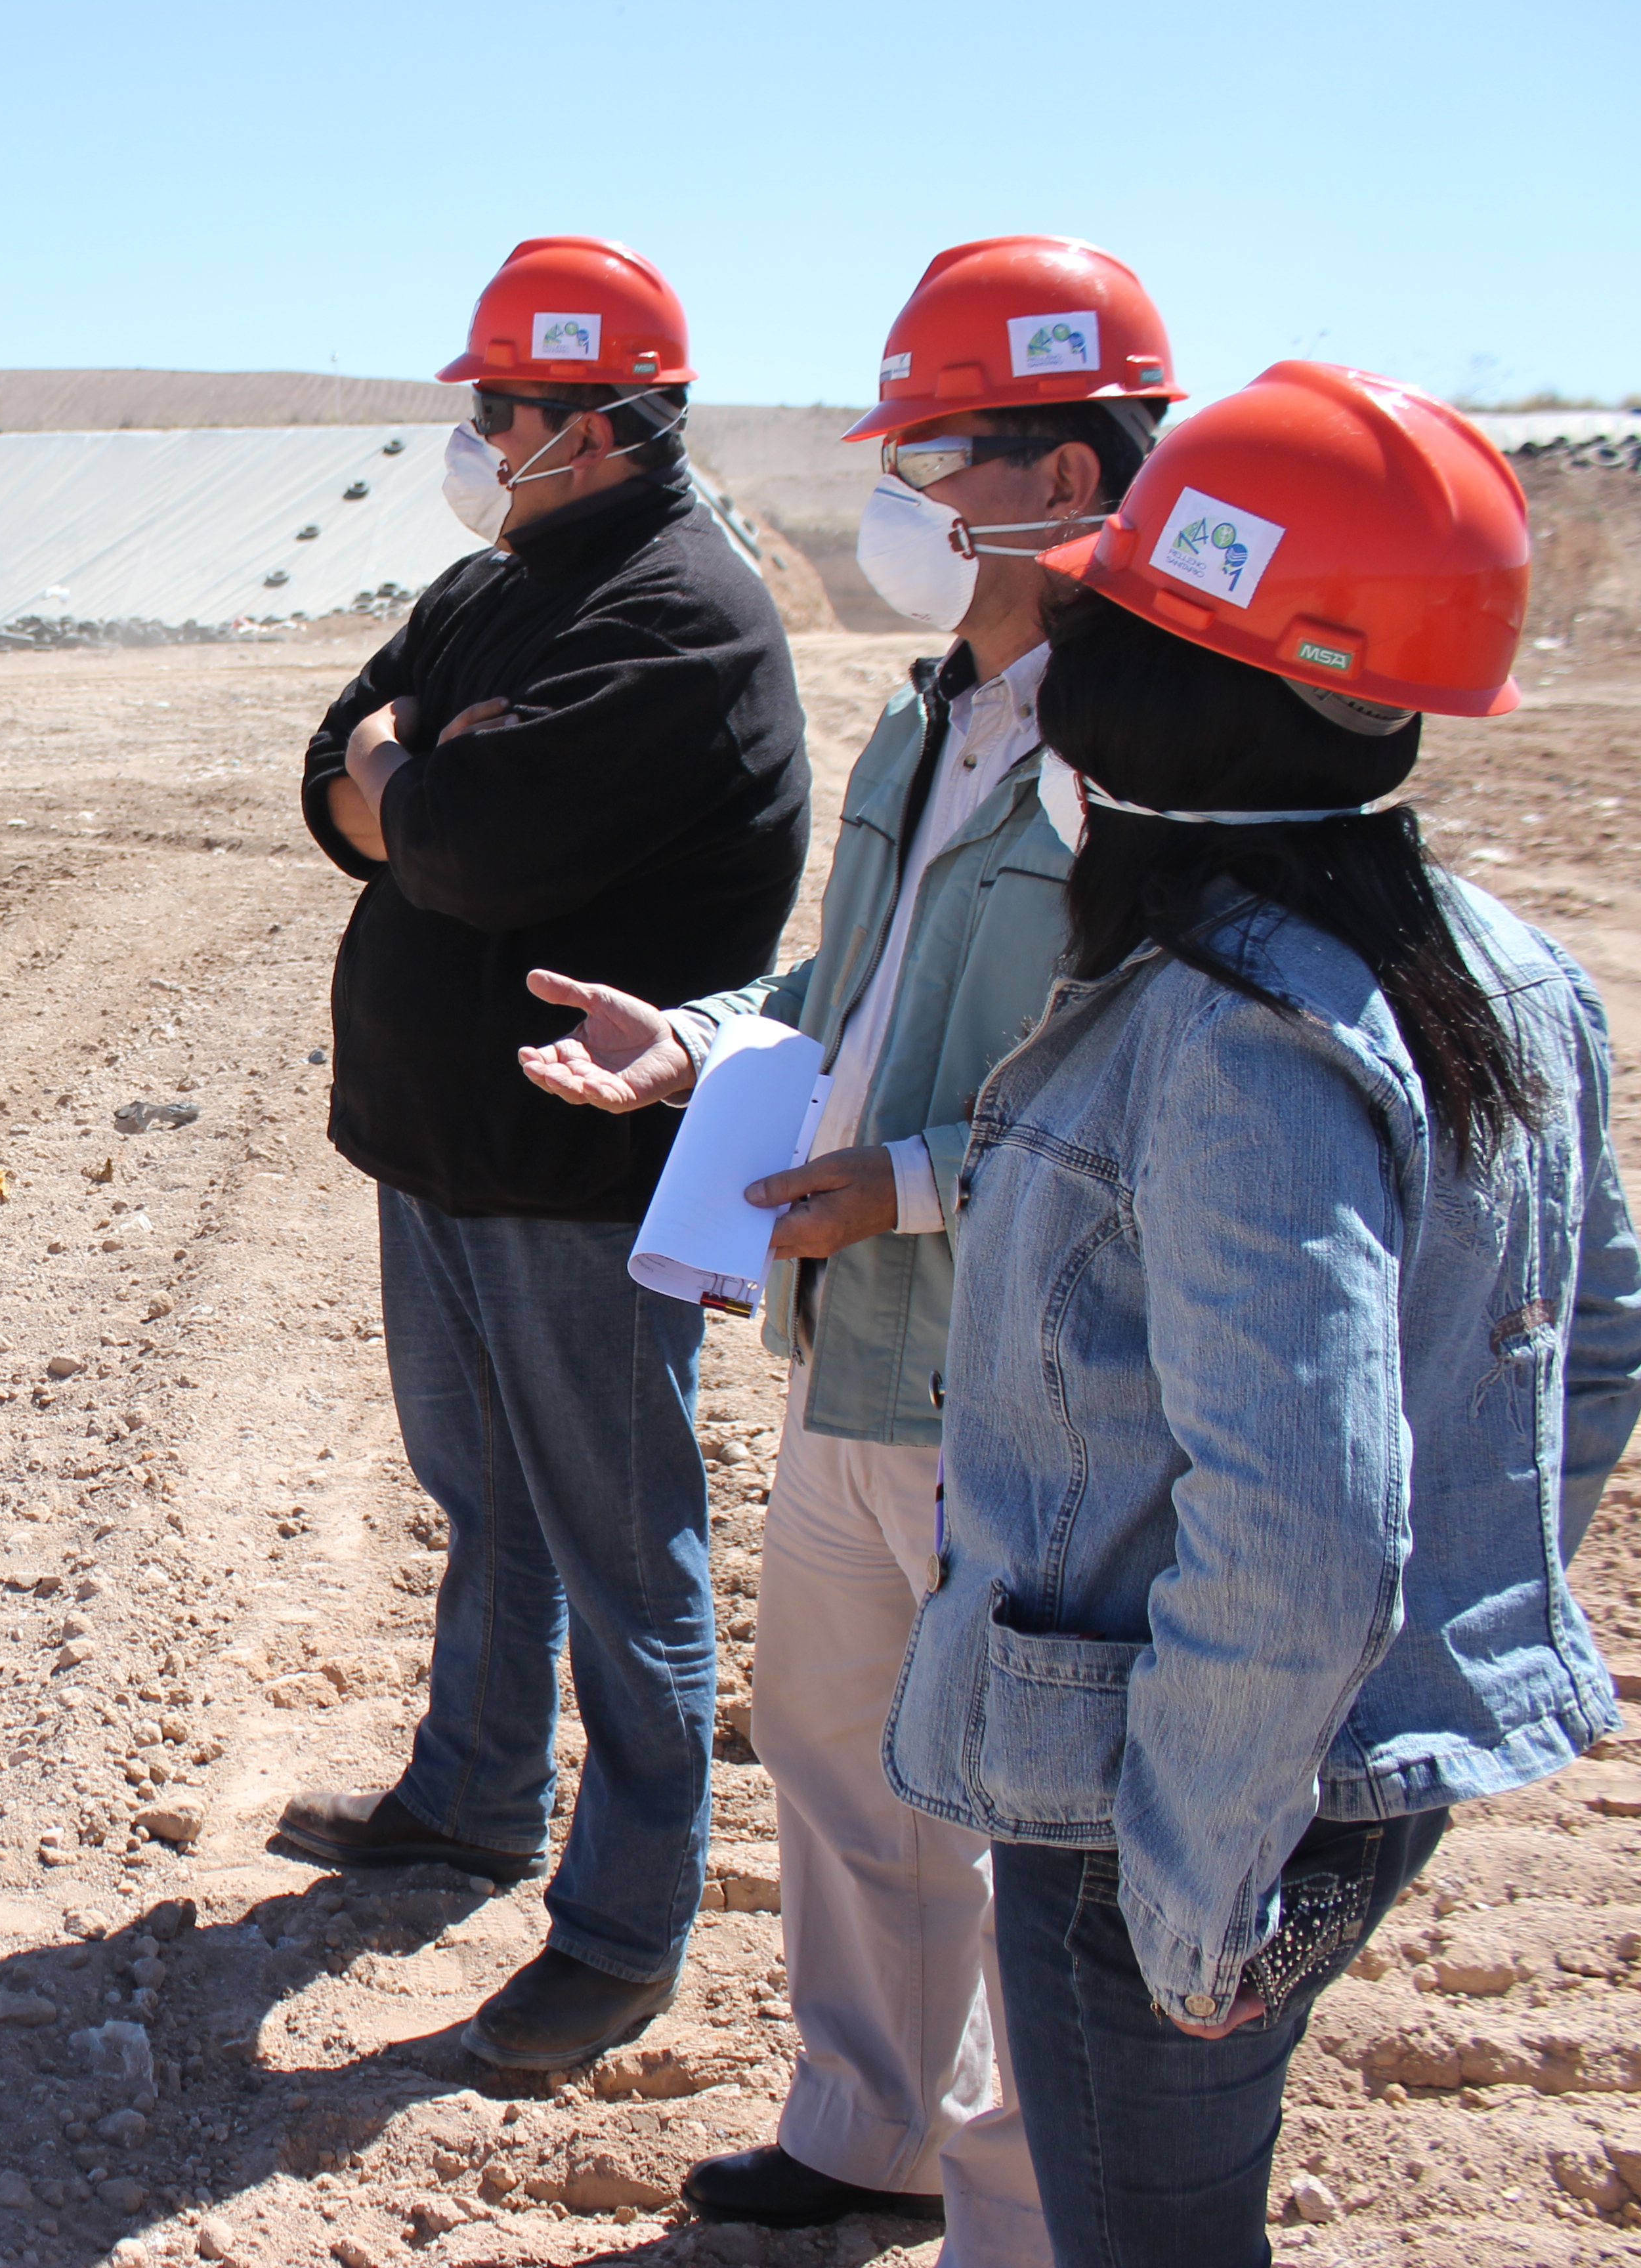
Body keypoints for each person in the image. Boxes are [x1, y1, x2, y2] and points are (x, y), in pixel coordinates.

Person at [882, 361, 1641, 2267]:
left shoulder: (1232, 1031)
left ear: (1200, 680)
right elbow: (1589, 1353)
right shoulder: (1505, 973)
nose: (1062, 646)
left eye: (1105, 614)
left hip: (1166, 1800)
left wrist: (1203, 1884)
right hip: (1318, 1769)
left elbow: (1303, 1517)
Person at [516, 236, 1179, 2252]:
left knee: (1035, 1822)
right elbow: (857, 985)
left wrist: (906, 1184)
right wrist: (698, 1046)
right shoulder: (930, 717)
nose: (893, 490)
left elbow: (1165, 1103)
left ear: (1063, 477)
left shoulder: (1154, 755)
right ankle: (870, 2135)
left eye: (931, 450)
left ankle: (1019, 2207)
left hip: (1032, 1386)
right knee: (841, 1755)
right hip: (853, 1352)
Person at [284, 236, 811, 2068]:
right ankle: (472, 1800)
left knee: (620, 1546)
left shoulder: (675, 613)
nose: (475, 431)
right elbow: (331, 782)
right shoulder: (498, 582)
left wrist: (413, 775)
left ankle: (625, 1923)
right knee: (488, 1507)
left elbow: (468, 851)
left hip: (579, 1176)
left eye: (498, 405)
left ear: (591, 423)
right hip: (442, 1153)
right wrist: (410, 765)